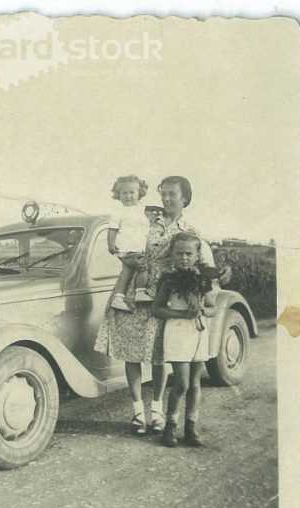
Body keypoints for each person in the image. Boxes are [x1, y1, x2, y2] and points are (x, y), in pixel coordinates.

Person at [94, 175, 227, 436]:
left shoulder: (190, 230)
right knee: (131, 352)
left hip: (167, 295)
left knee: (159, 353)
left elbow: (205, 264)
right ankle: (137, 412)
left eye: (172, 195)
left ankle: (156, 411)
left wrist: (215, 283)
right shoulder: (144, 219)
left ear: (185, 199)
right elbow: (123, 244)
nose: (166, 199)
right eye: (163, 193)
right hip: (136, 290)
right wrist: (126, 258)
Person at [151, 232, 217, 447]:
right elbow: (157, 309)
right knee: (181, 383)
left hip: (198, 331)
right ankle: (170, 426)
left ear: (197, 256)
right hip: (177, 331)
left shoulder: (203, 280)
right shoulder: (169, 281)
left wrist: (201, 311)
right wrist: (182, 315)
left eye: (189, 254)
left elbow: (212, 308)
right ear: (172, 255)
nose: (184, 258)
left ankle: (191, 427)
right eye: (179, 253)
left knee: (195, 383)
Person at [107, 176, 152, 312]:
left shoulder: (142, 209)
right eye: (124, 193)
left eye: (132, 192)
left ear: (140, 193)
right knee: (143, 267)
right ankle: (140, 292)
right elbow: (112, 228)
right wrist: (110, 244)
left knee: (126, 272)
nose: (128, 196)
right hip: (127, 247)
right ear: (118, 195)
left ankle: (118, 298)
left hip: (138, 247)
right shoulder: (119, 211)